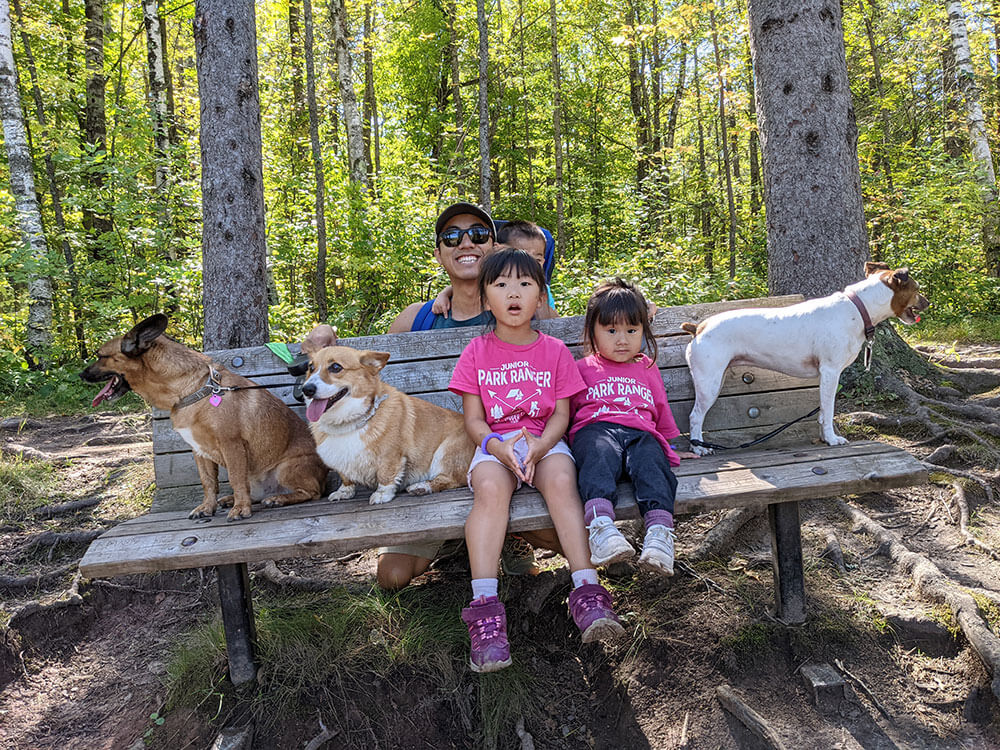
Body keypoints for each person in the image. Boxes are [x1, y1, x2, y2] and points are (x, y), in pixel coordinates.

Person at [448, 248, 624, 672]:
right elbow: (473, 420)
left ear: (540, 296)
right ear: (485, 297)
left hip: (544, 442)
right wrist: (498, 447)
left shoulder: (554, 351)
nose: (514, 293)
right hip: (496, 445)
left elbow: (561, 415)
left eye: (525, 284)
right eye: (501, 284)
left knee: (562, 479)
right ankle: (485, 609)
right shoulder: (476, 352)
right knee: (490, 489)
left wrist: (542, 446)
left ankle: (587, 592)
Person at [568, 279, 698, 576]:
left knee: (653, 463)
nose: (622, 340)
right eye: (611, 331)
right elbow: (569, 412)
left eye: (631, 330)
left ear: (643, 331)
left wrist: (671, 446)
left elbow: (660, 407)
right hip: (596, 430)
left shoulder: (646, 367)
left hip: (640, 434)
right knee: (596, 456)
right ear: (593, 332)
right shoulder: (583, 368)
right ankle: (601, 528)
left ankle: (659, 535)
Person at [430, 219, 557, 319]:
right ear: (498, 251)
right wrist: (444, 294)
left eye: (537, 260)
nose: (528, 265)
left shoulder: (541, 288)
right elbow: (472, 288)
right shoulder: (496, 279)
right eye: (520, 255)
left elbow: (553, 325)